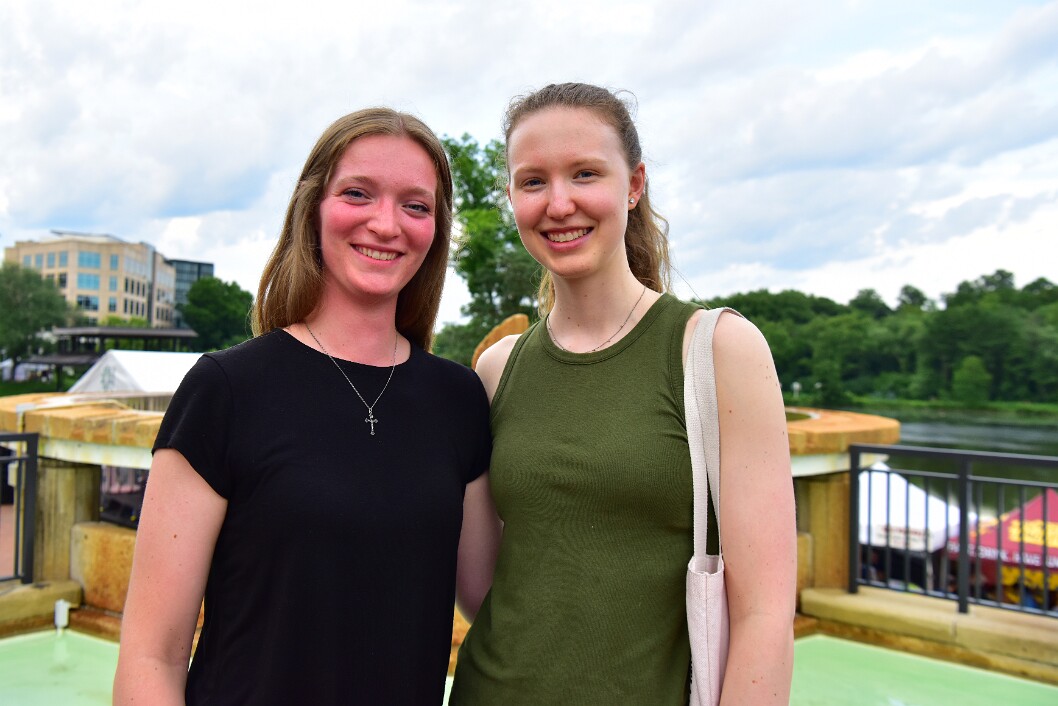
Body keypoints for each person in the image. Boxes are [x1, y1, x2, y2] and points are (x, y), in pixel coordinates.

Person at [113, 108, 493, 705]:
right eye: (358, 193)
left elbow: (492, 598)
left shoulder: (458, 400)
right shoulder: (226, 390)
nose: (386, 223)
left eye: (416, 206)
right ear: (312, 208)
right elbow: (149, 658)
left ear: (435, 231)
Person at [450, 83, 797, 705]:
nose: (559, 203)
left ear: (633, 185)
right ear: (512, 198)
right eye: (533, 181)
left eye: (585, 173)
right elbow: (481, 589)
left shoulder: (717, 351)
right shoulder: (498, 369)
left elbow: (765, 614)